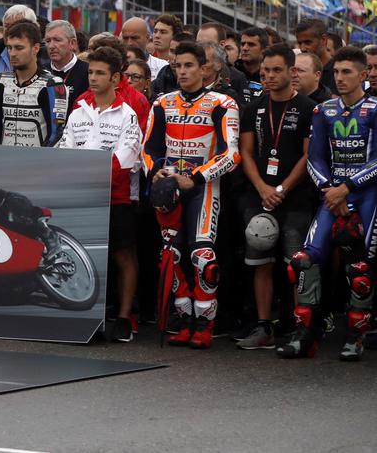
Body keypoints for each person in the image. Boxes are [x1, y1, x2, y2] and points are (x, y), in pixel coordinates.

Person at [279, 46, 377, 361]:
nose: (340, 78)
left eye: (347, 72)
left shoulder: (375, 109)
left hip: (366, 195)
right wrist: (330, 190)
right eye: (336, 72)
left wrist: (346, 188)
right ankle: (305, 334)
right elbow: (315, 158)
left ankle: (355, 336)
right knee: (304, 262)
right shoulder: (324, 111)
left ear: (364, 75)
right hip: (331, 194)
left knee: (360, 268)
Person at [141, 41, 240, 349]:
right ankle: (183, 320)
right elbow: (147, 149)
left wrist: (195, 178)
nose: (182, 72)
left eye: (188, 66)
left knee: (202, 257)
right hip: (169, 188)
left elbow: (232, 155)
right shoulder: (162, 102)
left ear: (203, 68)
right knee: (171, 255)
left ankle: (205, 323)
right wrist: (154, 171)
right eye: (176, 67)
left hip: (203, 189)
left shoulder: (223, 103)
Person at [59, 47, 143, 341]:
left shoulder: (128, 114)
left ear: (116, 78)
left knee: (123, 256)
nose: (92, 78)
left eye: (99, 73)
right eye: (91, 72)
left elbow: (126, 159)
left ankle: (123, 317)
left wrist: (90, 176)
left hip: (116, 197)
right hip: (82, 197)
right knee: (84, 256)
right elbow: (66, 148)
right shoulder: (78, 107)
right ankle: (87, 316)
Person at [235, 44, 315, 350]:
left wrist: (281, 190)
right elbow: (246, 151)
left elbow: (309, 157)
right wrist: (263, 189)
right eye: (265, 70)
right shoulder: (253, 107)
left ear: (292, 72)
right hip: (260, 196)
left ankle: (300, 327)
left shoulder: (309, 108)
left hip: (294, 199)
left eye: (276, 70)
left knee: (295, 266)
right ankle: (264, 326)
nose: (268, 76)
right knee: (261, 263)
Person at [0, 21, 67, 147]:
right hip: (3, 161)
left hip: (36, 164)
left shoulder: (52, 85)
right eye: (9, 48)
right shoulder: (0, 81)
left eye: (19, 48)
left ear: (36, 48)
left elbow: (56, 134)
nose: (13, 53)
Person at [45, 19, 87, 111]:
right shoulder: (41, 71)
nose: (51, 46)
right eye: (48, 41)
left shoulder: (88, 72)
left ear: (72, 43)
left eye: (57, 40)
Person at [120, 17, 167, 90]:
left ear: (147, 37)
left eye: (134, 38)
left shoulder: (163, 67)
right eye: (125, 38)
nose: (129, 43)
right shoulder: (115, 67)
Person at [295, 18, 336, 94]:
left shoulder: (338, 71)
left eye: (308, 42)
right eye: (300, 43)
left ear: (323, 40)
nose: (302, 48)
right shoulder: (294, 71)